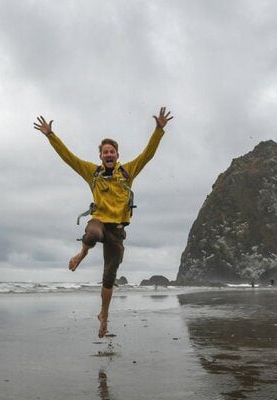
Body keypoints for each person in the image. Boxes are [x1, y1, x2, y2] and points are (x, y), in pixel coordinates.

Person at [34, 107, 173, 337]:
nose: (108, 155)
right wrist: (51, 135)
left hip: (117, 230)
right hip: (98, 221)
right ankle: (81, 253)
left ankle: (104, 316)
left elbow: (148, 154)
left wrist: (158, 130)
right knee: (93, 234)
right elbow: (69, 158)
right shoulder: (92, 173)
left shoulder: (128, 172)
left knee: (109, 277)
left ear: (117, 155)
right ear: (100, 156)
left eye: (112, 152)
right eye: (105, 152)